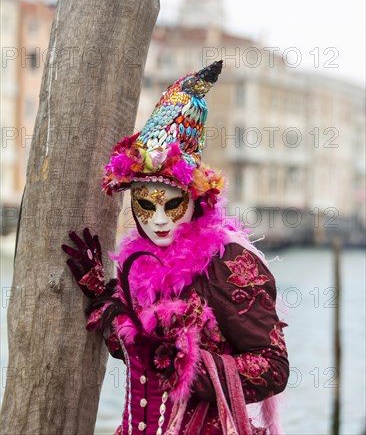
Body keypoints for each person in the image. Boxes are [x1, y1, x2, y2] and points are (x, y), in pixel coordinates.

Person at [62, 60, 289, 435]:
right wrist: (100, 294)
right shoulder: (140, 265)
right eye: (146, 206)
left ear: (195, 199)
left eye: (172, 204)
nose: (159, 220)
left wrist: (191, 365)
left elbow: (273, 367)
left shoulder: (228, 263)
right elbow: (134, 349)